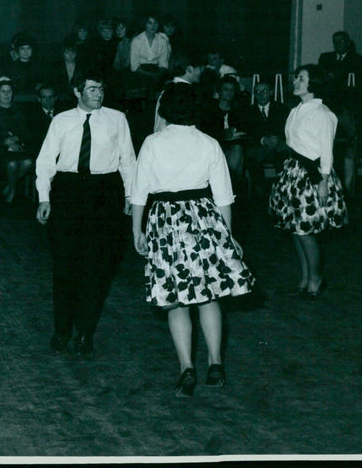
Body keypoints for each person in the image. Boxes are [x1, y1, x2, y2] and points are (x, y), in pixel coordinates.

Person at [131, 83, 254, 396]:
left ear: (166, 109)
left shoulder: (152, 142)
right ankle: (215, 363)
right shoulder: (210, 143)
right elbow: (225, 196)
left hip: (165, 222)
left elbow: (140, 192)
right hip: (204, 220)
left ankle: (186, 366)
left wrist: (137, 229)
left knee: (176, 299)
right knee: (209, 296)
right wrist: (227, 237)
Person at [35, 70, 135, 357]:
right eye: (92, 89)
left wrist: (130, 195)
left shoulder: (117, 119)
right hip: (67, 192)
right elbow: (44, 162)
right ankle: (61, 330)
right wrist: (44, 198)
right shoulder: (61, 120)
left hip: (105, 192)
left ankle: (85, 332)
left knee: (97, 267)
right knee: (65, 265)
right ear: (77, 92)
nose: (99, 94)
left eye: (101, 88)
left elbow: (128, 160)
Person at [269, 64, 348, 299]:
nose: (295, 81)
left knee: (305, 230)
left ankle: (316, 279)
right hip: (293, 173)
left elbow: (326, 151)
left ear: (313, 83)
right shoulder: (296, 110)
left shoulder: (323, 113)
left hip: (312, 177)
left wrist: (322, 181)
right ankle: (304, 279)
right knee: (295, 228)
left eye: (301, 78)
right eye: (296, 78)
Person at [199, 75, 249, 183]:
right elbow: (204, 131)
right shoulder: (209, 108)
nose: (229, 93)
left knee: (238, 149)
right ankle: (232, 186)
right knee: (238, 157)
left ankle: (231, 184)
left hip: (234, 145)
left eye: (232, 90)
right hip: (214, 144)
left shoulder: (238, 109)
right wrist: (223, 135)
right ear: (219, 91)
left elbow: (244, 130)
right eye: (226, 89)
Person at [244, 78, 289, 194]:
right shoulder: (248, 111)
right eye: (257, 92)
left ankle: (281, 189)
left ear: (271, 92)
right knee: (253, 158)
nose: (261, 95)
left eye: (264, 91)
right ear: (254, 94)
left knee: (284, 155)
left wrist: (276, 139)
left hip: (278, 145)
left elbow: (288, 128)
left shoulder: (282, 108)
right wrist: (263, 140)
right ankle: (261, 193)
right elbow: (247, 132)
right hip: (258, 147)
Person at [153, 49, 204, 133]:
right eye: (200, 68)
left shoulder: (171, 89)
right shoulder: (173, 92)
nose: (202, 71)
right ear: (189, 69)